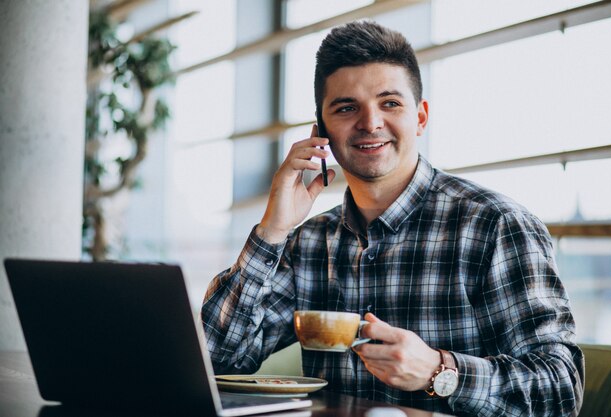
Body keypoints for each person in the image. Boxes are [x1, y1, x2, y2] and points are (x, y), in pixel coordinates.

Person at [202, 21, 584, 415]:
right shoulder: (311, 241)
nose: (370, 122)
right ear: (322, 131)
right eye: (346, 108)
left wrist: (439, 371)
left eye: (390, 103)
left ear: (420, 117)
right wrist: (273, 229)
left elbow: (559, 391)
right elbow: (216, 360)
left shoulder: (494, 225)